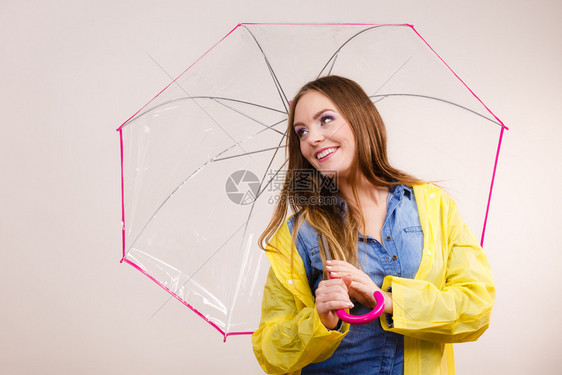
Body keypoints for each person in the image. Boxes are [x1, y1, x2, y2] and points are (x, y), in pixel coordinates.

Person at [251, 75, 495, 375]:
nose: (312, 138)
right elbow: (270, 351)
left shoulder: (432, 205)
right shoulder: (298, 234)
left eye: (325, 120)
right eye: (301, 132)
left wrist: (387, 301)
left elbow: (476, 307)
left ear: (360, 119)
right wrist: (319, 320)